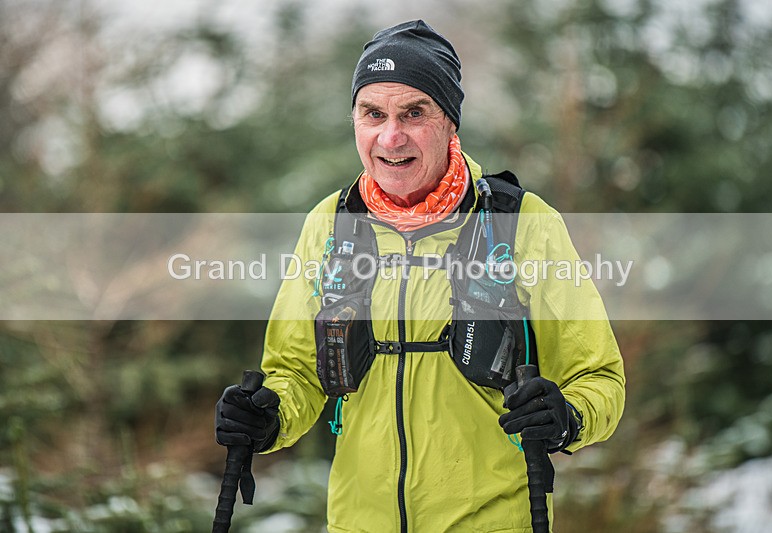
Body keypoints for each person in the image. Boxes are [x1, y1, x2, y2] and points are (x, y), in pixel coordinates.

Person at [216, 20, 625, 532]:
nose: (392, 136)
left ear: (451, 123)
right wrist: (266, 415)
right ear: (355, 121)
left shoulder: (520, 223)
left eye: (415, 112)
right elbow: (296, 371)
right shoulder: (331, 223)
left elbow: (599, 378)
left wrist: (567, 416)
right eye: (373, 113)